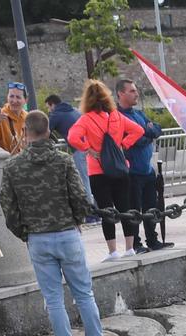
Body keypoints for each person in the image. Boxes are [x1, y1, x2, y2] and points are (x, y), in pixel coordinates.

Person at [2, 110, 105, 336]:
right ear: (48, 131)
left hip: (38, 238)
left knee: (53, 298)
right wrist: (76, 221)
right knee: (84, 293)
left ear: (25, 133)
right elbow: (81, 197)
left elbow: (7, 205)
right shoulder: (64, 161)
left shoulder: (13, 166)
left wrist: (24, 232)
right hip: (68, 233)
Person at [67, 79, 145, 265]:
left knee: (106, 210)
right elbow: (139, 130)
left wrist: (88, 149)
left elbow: (72, 137)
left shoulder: (85, 119)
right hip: (120, 167)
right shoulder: (116, 116)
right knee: (125, 207)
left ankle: (112, 251)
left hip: (97, 169)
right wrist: (122, 146)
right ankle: (130, 248)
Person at [113, 79, 162, 252]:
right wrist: (147, 134)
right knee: (133, 210)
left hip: (146, 170)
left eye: (135, 90)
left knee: (151, 206)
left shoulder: (139, 114)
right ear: (121, 94)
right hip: (131, 171)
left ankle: (152, 240)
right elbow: (135, 140)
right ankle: (135, 244)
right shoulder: (117, 117)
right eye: (132, 91)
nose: (136, 94)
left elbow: (157, 128)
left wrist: (148, 132)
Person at [0, 81, 27, 153]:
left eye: (18, 97)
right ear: (7, 97)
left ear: (25, 100)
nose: (14, 101)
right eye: (11, 96)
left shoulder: (28, 118)